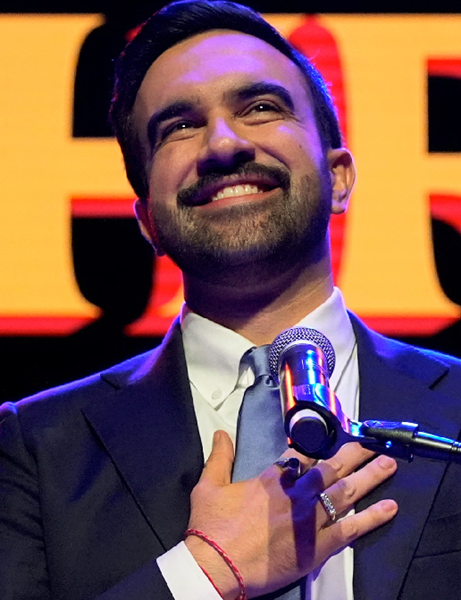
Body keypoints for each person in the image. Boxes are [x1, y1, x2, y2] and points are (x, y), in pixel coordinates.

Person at [2, 1, 461, 599]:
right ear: (148, 222)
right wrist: (204, 574)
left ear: (339, 177)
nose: (222, 143)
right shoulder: (37, 449)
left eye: (261, 108)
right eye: (179, 126)